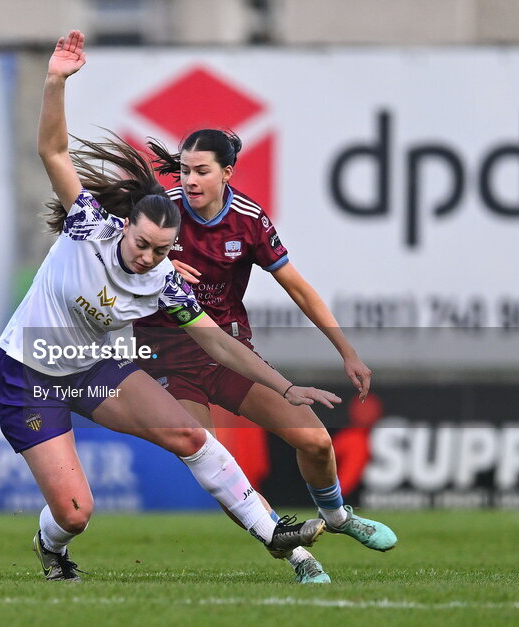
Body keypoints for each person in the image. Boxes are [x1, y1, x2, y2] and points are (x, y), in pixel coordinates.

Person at [0, 29, 342, 583]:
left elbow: (218, 342)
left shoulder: (163, 280)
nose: (148, 258)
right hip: (29, 370)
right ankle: (50, 547)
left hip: (95, 370)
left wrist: (283, 386)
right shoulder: (88, 226)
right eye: (141, 245)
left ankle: (275, 534)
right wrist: (56, 80)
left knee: (190, 436)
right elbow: (52, 150)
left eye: (162, 251)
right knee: (74, 513)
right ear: (125, 227)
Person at [131, 129, 398, 582]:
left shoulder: (249, 219)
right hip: (167, 359)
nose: (189, 180)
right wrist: (155, 261)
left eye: (201, 171)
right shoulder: (161, 213)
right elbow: (113, 256)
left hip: (229, 353)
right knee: (214, 461)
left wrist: (347, 352)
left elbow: (298, 288)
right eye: (184, 170)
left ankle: (336, 517)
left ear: (227, 173)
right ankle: (297, 555)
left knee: (315, 441)